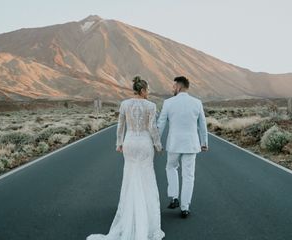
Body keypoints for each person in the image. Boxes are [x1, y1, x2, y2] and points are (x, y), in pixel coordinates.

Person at [86, 76, 165, 240]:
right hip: (144, 144)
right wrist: (158, 144)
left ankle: (131, 214)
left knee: (130, 177)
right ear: (142, 90)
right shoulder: (151, 106)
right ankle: (148, 220)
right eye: (148, 89)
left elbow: (120, 125)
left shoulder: (124, 104)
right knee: (147, 179)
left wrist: (119, 143)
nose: (149, 92)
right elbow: (152, 127)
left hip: (129, 142)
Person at [157, 76, 208, 218]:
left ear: (179, 87)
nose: (172, 88)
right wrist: (204, 143)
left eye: (173, 86)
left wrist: (157, 142)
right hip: (191, 144)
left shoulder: (168, 103)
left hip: (174, 144)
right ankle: (185, 207)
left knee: (171, 167)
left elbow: (161, 124)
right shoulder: (197, 103)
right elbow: (202, 125)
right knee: (188, 176)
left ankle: (174, 197)